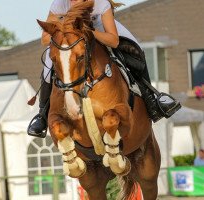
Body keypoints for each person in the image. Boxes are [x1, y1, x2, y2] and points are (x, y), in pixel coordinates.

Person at [27, 0, 181, 138]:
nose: (72, 1)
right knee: (48, 63)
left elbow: (113, 41)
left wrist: (89, 33)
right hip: (72, 37)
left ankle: (152, 100)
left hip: (100, 29)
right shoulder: (59, 4)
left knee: (136, 49)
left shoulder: (101, 3)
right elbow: (44, 39)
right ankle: (42, 114)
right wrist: (61, 29)